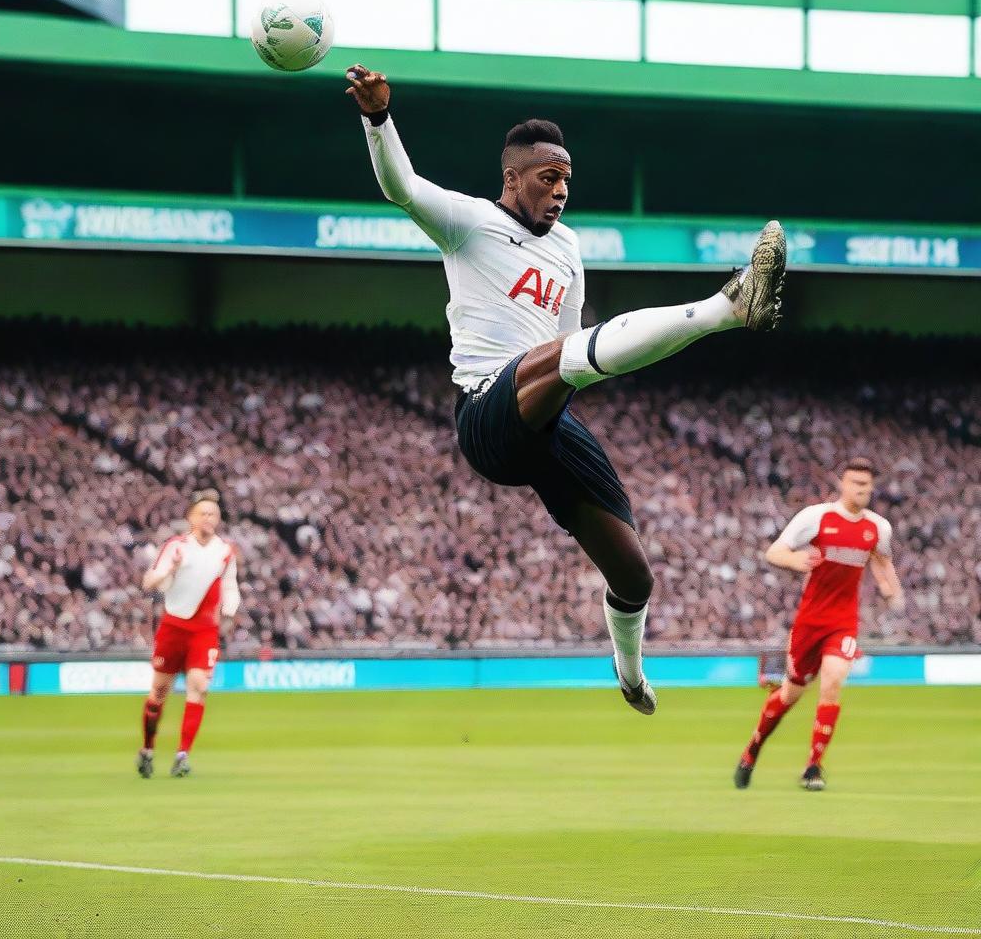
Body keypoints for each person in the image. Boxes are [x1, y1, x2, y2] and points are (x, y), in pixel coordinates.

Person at [345, 64, 787, 716]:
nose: (559, 192)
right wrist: (378, 117)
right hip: (486, 415)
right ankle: (730, 306)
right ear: (512, 178)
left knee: (635, 574)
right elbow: (401, 187)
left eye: (566, 181)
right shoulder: (467, 223)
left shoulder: (569, 248)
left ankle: (630, 674)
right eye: (548, 178)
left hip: (545, 412)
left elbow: (572, 340)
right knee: (560, 358)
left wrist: (563, 399)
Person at [734, 458, 904, 791]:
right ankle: (751, 751)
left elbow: (882, 560)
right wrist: (796, 560)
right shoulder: (816, 517)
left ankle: (813, 767)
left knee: (833, 681)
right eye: (855, 483)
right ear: (841, 483)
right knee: (789, 695)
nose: (862, 489)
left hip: (843, 621)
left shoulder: (878, 527)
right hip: (810, 622)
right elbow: (774, 552)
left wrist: (890, 589)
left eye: (867, 485)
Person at [136, 489, 241, 778]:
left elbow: (230, 583)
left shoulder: (225, 550)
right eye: (203, 513)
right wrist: (168, 570)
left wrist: (232, 604)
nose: (209, 518)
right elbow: (150, 581)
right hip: (174, 627)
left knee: (200, 686)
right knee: (158, 693)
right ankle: (147, 749)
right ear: (191, 518)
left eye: (213, 514)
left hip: (205, 630)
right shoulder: (177, 547)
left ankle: (182, 754)